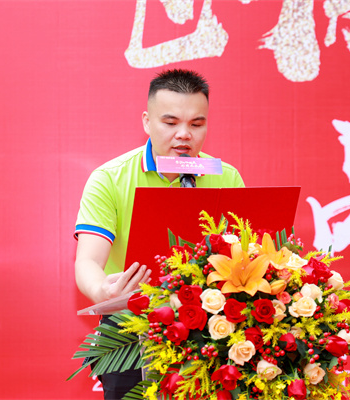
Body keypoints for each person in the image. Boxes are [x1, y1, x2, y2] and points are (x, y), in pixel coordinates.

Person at [74, 69, 244, 399]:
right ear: (147, 122)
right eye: (170, 123)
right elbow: (88, 261)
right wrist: (101, 290)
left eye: (197, 124)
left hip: (212, 323)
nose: (184, 135)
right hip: (131, 324)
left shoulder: (226, 177)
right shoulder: (109, 178)